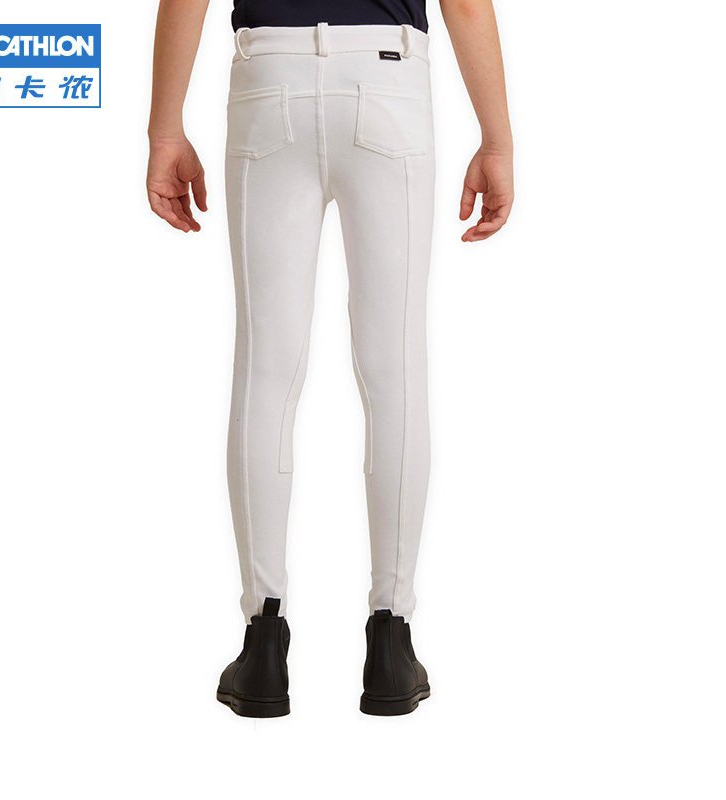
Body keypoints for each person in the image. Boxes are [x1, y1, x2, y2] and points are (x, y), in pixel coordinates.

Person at [147, 0, 513, 717]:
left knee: (266, 369)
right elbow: (465, 3)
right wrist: (496, 141)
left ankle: (263, 640)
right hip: (389, 76)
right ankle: (391, 638)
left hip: (269, 76)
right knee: (395, 365)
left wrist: (164, 129)